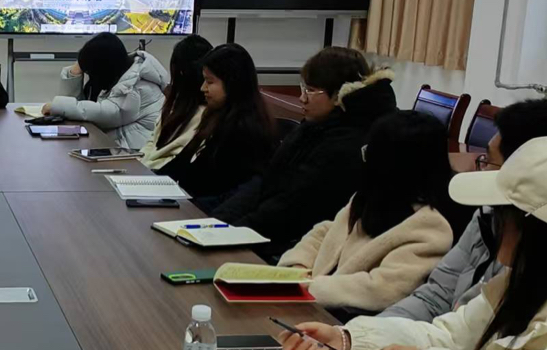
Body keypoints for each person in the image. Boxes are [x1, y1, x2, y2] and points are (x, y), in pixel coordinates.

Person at [278, 135, 547, 350]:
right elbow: (448, 334)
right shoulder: (525, 284)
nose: (491, 223)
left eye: (499, 214)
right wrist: (347, 339)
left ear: (537, 231)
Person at [379, 99, 547, 322]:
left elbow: (470, 335)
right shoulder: (487, 214)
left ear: (523, 173)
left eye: (489, 161)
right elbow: (435, 296)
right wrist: (367, 333)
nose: (479, 168)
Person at [210, 47, 397, 261]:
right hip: (266, 232)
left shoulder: (345, 145)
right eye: (303, 88)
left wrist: (230, 234)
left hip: (293, 249)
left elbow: (292, 209)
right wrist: (218, 223)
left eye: (310, 91)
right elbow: (267, 183)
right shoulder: (316, 125)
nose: (302, 98)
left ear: (340, 94)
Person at [277, 111, 456, 313]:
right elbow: (328, 231)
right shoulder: (371, 197)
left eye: (370, 153)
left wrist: (311, 287)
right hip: (311, 303)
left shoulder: (430, 229)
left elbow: (382, 289)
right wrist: (299, 267)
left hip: (347, 319)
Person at [157, 43, 276, 208]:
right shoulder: (215, 116)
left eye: (209, 82)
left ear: (232, 83)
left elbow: (228, 195)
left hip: (207, 213)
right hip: (192, 205)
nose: (202, 88)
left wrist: (184, 205)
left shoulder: (245, 131)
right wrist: (150, 181)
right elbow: (182, 163)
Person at [42, 33, 169, 150]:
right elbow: (75, 115)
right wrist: (75, 73)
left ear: (103, 68)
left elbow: (108, 114)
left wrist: (57, 106)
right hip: (122, 149)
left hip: (137, 156)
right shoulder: (120, 74)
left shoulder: (137, 86)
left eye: (90, 72)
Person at [139, 35, 214, 171]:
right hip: (148, 171)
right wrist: (139, 165)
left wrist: (142, 168)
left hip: (163, 176)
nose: (204, 87)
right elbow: (152, 142)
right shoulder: (176, 106)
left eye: (210, 81)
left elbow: (178, 162)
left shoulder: (205, 116)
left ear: (180, 72)